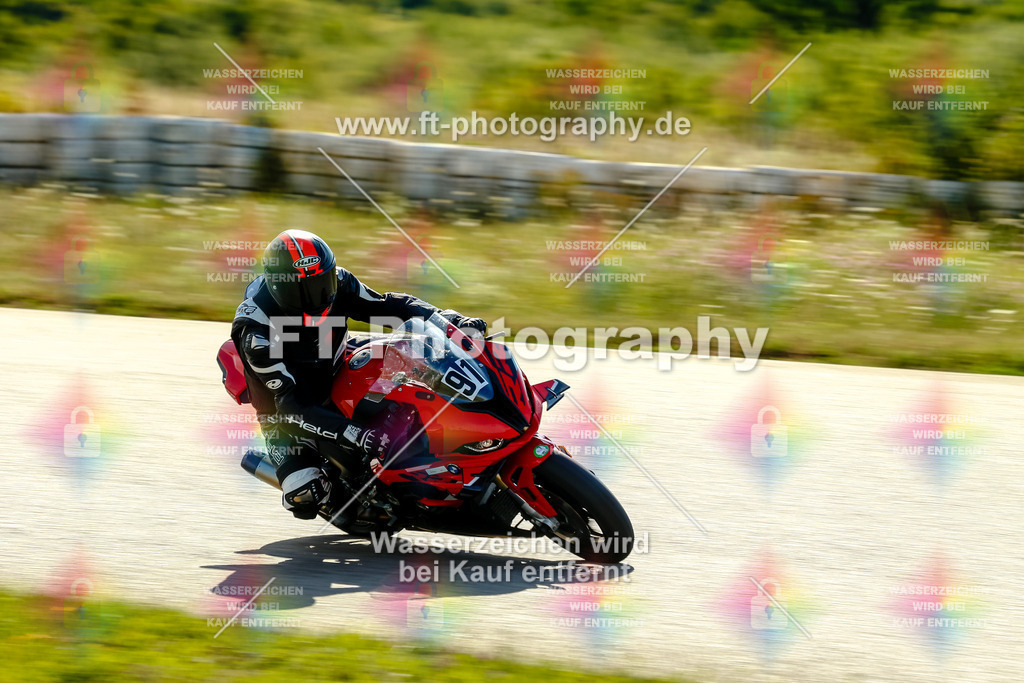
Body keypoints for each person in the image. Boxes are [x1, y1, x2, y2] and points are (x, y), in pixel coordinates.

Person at [230, 229, 486, 519]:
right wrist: (359, 435)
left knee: (417, 355)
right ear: (278, 287)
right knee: (305, 494)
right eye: (303, 290)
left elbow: (390, 305)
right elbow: (292, 405)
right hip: (286, 410)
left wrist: (450, 321)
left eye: (322, 283)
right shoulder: (256, 333)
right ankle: (349, 500)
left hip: (338, 363)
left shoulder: (340, 282)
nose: (318, 296)